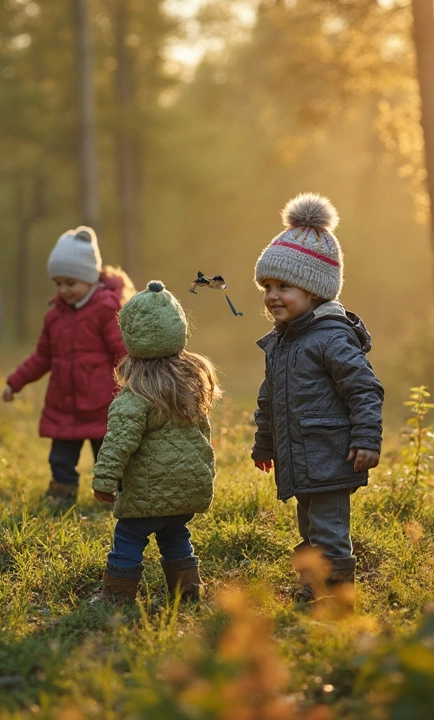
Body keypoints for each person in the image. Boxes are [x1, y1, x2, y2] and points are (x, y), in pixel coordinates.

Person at [250, 193, 384, 604]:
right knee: (309, 528)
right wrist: (265, 442)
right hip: (300, 458)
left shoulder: (330, 338)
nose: (272, 295)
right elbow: (270, 399)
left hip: (330, 455)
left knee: (328, 529)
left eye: (284, 286)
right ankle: (314, 587)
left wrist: (366, 437)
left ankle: (335, 597)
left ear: (314, 290)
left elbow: (364, 388)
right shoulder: (282, 341)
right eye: (267, 286)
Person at [91, 281, 220, 604]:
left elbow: (119, 442)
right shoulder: (191, 385)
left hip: (147, 493)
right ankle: (188, 591)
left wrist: (104, 480)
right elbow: (203, 438)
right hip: (186, 490)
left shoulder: (134, 396)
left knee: (129, 538)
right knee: (175, 534)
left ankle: (116, 598)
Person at [2, 227, 133, 508]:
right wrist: (15, 382)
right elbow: (42, 356)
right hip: (64, 405)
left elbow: (122, 350)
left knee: (108, 455)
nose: (63, 290)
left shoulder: (105, 310)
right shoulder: (54, 317)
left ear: (89, 278)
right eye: (58, 283)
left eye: (70, 282)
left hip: (102, 403)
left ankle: (119, 498)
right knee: (60, 458)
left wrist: (135, 381)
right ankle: (61, 497)